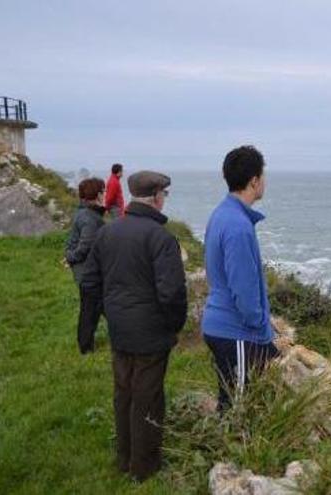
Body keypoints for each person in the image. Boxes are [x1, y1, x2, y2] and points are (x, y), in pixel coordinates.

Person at [80, 171, 187, 481]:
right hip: (152, 333)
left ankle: (124, 459)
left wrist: (109, 312)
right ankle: (144, 468)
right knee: (148, 398)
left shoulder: (107, 232)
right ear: (156, 197)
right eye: (164, 194)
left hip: (120, 329)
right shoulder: (161, 237)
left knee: (123, 393)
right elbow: (172, 293)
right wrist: (174, 326)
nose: (164, 199)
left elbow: (89, 282)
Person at [202, 145, 279, 411]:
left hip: (221, 326)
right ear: (254, 181)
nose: (264, 182)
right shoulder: (238, 226)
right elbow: (244, 291)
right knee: (239, 410)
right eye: (263, 177)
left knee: (231, 403)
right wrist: (260, 326)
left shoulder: (222, 214)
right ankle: (226, 454)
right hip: (236, 332)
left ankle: (219, 451)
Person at [64, 177, 107, 353]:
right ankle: (85, 348)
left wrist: (70, 257)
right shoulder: (90, 218)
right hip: (89, 274)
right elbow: (85, 247)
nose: (105, 194)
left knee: (99, 307)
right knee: (90, 311)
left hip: (88, 272)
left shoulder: (85, 213)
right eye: (103, 191)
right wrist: (71, 258)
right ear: (98, 195)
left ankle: (126, 335)